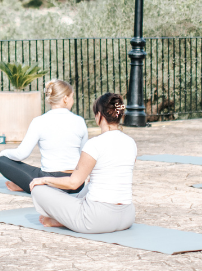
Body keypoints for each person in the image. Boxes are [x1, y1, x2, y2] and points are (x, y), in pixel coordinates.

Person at [28, 92, 137, 234]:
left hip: (96, 220)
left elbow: (74, 183)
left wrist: (43, 180)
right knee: (91, 183)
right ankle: (66, 219)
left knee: (38, 189)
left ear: (99, 116)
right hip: (127, 216)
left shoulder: (95, 144)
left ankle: (64, 220)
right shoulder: (131, 143)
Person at [0, 80, 89, 193]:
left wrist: (2, 154)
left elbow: (21, 154)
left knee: (2, 161)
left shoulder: (39, 121)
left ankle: (28, 185)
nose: (72, 101)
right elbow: (84, 156)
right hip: (75, 184)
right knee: (41, 172)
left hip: (49, 183)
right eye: (72, 97)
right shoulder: (80, 121)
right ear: (65, 98)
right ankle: (32, 186)